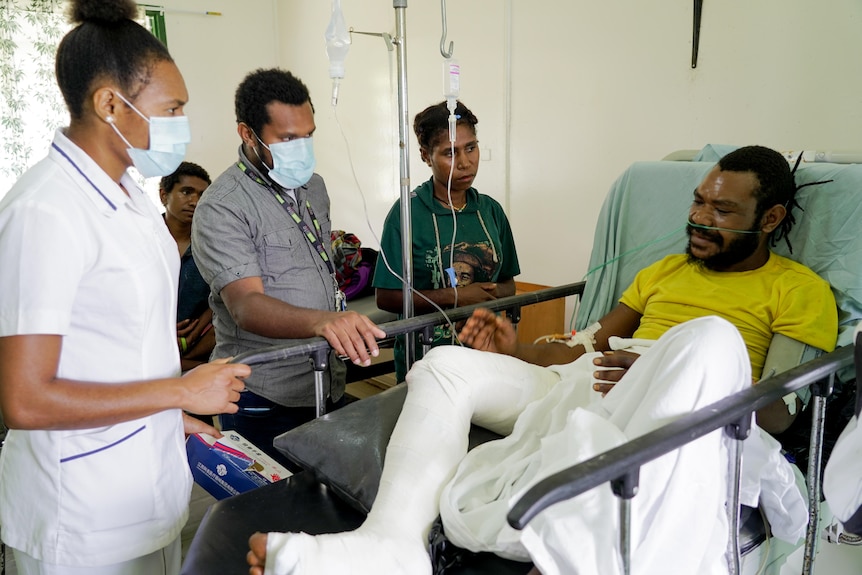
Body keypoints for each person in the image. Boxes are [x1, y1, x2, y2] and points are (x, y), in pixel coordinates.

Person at [246, 146, 838, 574]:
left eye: (722, 212)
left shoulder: (798, 290)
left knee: (712, 338)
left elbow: (784, 413)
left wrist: (668, 377)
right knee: (445, 365)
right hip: (588, 383)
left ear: (771, 219)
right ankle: (391, 544)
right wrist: (515, 348)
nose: (698, 220)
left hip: (693, 409)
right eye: (698, 203)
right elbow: (584, 347)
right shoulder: (664, 271)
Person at [0, 1, 249, 574]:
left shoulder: (133, 198)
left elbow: (120, 346)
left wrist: (169, 415)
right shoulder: (48, 211)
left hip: (145, 490)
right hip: (81, 516)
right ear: (110, 103)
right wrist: (179, 393)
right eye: (172, 108)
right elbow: (25, 397)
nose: (182, 123)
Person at [192, 68, 386, 466]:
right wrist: (322, 322)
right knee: (270, 512)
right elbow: (246, 305)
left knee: (322, 506)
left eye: (308, 135)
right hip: (264, 393)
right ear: (248, 134)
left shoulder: (313, 187)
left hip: (324, 380)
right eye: (287, 139)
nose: (302, 148)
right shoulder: (223, 205)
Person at [373, 101, 520, 381]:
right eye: (449, 153)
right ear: (426, 156)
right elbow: (387, 297)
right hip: (428, 362)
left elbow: (509, 285)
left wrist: (486, 295)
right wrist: (457, 297)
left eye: (471, 148)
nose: (465, 162)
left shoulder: (490, 212)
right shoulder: (407, 213)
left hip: (488, 356)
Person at [159, 161, 215, 372]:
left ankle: (180, 364)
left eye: (202, 195)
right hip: (149, 331)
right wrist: (162, 329)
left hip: (196, 338)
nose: (195, 201)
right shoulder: (143, 238)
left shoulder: (212, 242)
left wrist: (197, 328)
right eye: (186, 192)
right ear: (164, 195)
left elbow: (221, 292)